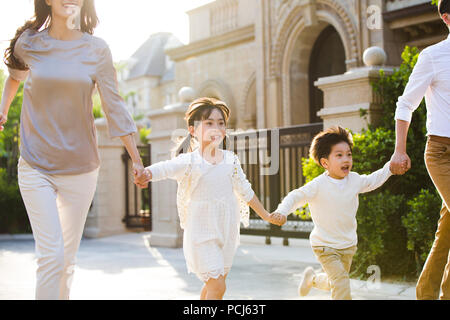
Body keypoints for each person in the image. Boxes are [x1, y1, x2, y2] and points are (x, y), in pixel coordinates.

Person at [0, 0, 148, 300]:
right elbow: (15, 76)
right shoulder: (29, 44)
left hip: (81, 168)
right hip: (35, 164)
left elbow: (113, 105)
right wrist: (2, 111)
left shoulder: (97, 50)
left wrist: (136, 159)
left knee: (66, 262)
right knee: (51, 257)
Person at [141, 97, 282, 300]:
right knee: (218, 287)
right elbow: (165, 168)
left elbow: (246, 191)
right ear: (193, 130)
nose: (216, 127)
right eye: (209, 123)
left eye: (221, 123)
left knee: (213, 286)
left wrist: (266, 215)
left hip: (226, 230)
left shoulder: (231, 160)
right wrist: (146, 173)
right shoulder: (190, 161)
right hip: (201, 232)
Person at [273, 126, 393, 300]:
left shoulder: (355, 180)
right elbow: (296, 196)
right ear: (324, 163)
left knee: (335, 282)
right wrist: (282, 211)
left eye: (349, 154)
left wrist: (391, 167)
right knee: (342, 282)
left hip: (347, 245)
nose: (346, 159)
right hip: (325, 246)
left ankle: (312, 279)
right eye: (339, 155)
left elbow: (374, 180)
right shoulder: (318, 185)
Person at [390, 0, 450, 300]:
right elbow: (405, 104)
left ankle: (428, 294)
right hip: (441, 153)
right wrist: (399, 150)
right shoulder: (433, 57)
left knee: (447, 231)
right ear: (447, 18)